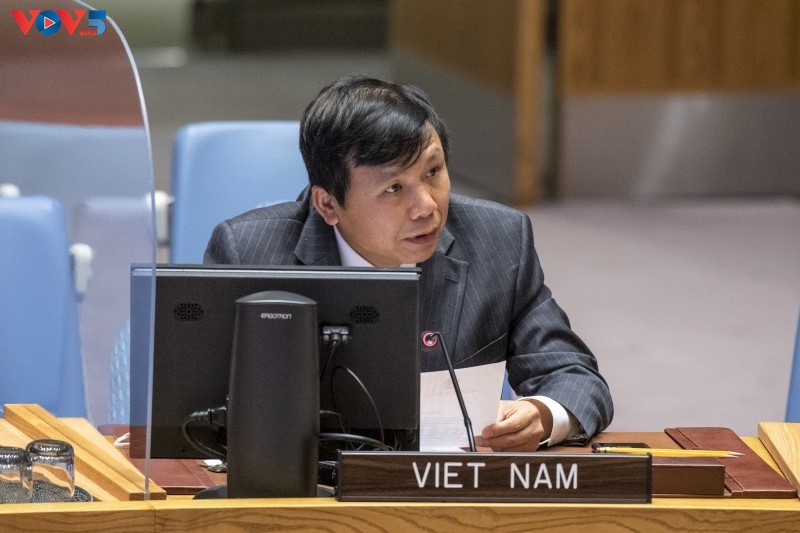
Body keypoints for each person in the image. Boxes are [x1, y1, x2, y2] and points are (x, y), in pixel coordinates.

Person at [204, 75, 613, 451]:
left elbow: (574, 378)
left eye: (433, 172)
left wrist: (543, 415)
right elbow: (203, 416)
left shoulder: (497, 241)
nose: (427, 206)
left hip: (445, 491)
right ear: (328, 204)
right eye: (394, 188)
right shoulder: (250, 254)